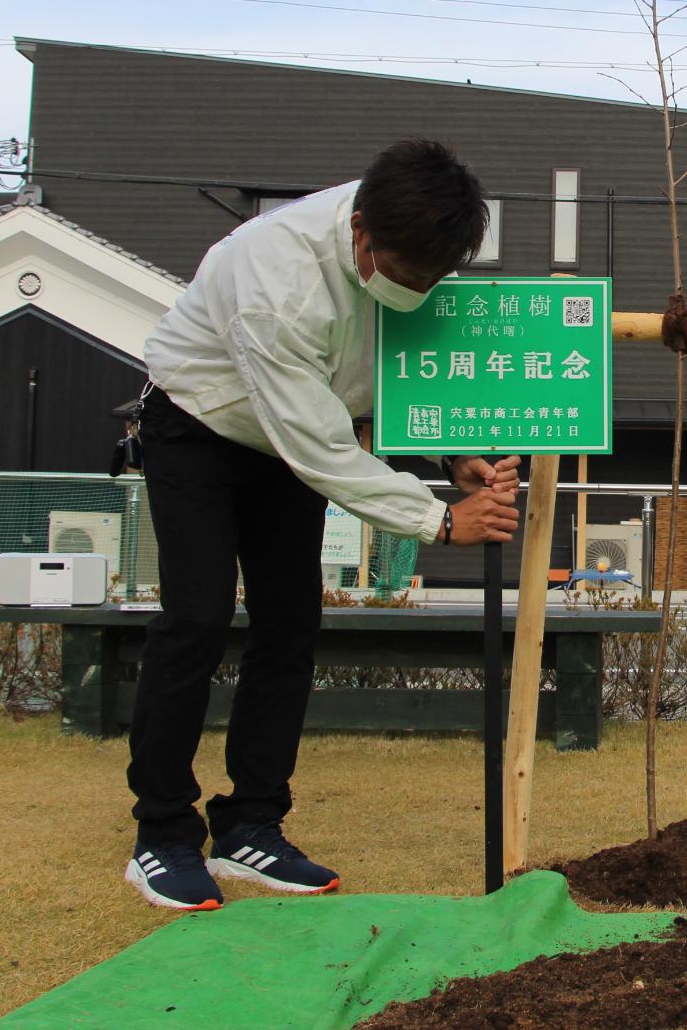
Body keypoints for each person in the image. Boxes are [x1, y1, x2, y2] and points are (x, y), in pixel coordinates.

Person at [125, 138, 522, 910]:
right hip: (199, 424)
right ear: (362, 231)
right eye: (405, 274)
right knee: (198, 618)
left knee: (290, 623)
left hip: (303, 432)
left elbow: (393, 369)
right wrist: (440, 521)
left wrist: (454, 454)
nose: (417, 289)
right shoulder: (274, 275)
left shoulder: (415, 233)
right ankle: (163, 832)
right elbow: (317, 444)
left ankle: (252, 825)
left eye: (433, 277)